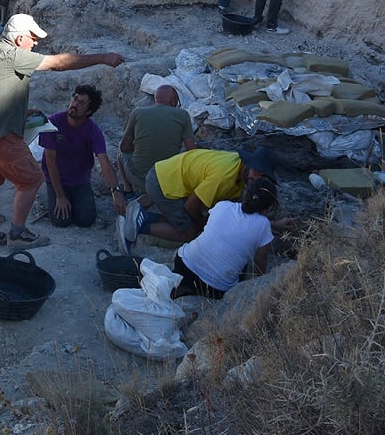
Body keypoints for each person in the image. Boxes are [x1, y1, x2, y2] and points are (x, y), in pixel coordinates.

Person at [0, 13, 125, 249]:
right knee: (31, 179)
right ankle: (18, 234)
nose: (36, 42)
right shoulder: (12, 55)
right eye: (33, 37)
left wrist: (19, 112)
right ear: (20, 39)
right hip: (0, 133)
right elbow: (58, 64)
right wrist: (103, 57)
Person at [120, 146, 278, 248]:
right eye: (256, 172)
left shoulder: (239, 166)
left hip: (168, 173)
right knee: (190, 233)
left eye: (262, 176)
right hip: (163, 183)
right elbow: (191, 206)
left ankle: (140, 217)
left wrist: (274, 224)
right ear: (250, 164)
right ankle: (137, 227)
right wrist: (202, 225)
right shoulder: (223, 177)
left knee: (184, 220)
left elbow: (239, 211)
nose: (257, 178)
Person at [171, 178, 280, 299]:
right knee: (243, 263)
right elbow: (260, 261)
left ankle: (179, 287)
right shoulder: (264, 225)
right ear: (269, 206)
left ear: (245, 193)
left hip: (184, 265)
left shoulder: (223, 205)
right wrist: (262, 281)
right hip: (215, 288)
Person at [39, 84, 124, 228]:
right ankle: (51, 194)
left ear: (89, 111)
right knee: (61, 221)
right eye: (75, 99)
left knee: (86, 220)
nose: (75, 104)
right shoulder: (53, 123)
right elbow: (50, 161)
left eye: (81, 103)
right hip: (56, 177)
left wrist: (116, 191)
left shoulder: (93, 130)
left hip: (79, 179)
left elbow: (104, 161)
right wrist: (60, 195)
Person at [117, 84, 196, 197]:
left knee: (120, 147)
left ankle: (129, 190)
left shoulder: (138, 112)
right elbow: (191, 152)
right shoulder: (183, 115)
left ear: (156, 99)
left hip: (140, 179)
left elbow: (124, 147)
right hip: (166, 180)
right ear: (173, 100)